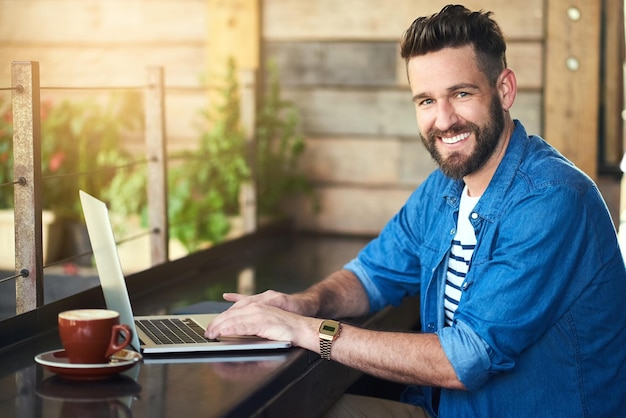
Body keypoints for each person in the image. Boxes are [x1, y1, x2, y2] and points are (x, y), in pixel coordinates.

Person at [206, 4, 626, 417]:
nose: (443, 120)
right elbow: (372, 275)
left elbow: (465, 358)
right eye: (426, 101)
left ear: (504, 90)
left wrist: (301, 331)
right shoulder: (444, 188)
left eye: (461, 94)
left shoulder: (553, 198)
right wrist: (302, 304)